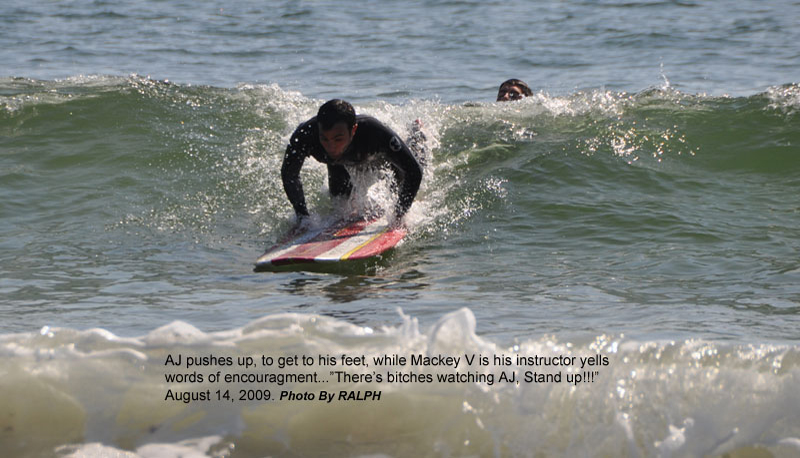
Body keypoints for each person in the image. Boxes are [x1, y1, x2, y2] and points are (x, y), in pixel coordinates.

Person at [281, 99, 423, 225]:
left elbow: (414, 171)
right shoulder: (305, 136)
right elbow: (289, 174)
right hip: (339, 164)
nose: (331, 147)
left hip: (379, 160)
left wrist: (399, 214)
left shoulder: (374, 132)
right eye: (324, 139)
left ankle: (415, 135)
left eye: (338, 139)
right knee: (340, 202)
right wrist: (302, 216)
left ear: (353, 130)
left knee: (399, 186)